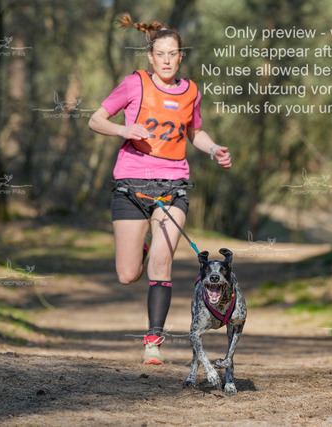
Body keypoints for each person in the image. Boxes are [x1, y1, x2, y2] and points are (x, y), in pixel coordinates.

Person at [88, 14, 231, 365]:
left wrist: (213, 148)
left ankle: (153, 341)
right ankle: (142, 247)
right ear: (151, 57)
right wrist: (124, 130)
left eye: (173, 54)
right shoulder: (134, 84)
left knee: (162, 263)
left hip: (173, 187)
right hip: (131, 187)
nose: (167, 60)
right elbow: (96, 119)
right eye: (160, 54)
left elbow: (194, 132)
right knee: (127, 275)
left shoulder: (191, 91)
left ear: (181, 57)